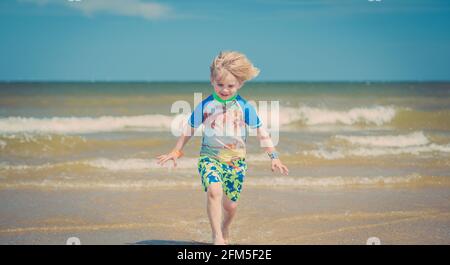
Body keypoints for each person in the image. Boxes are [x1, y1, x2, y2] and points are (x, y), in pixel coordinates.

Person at [157, 51, 289, 245]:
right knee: (214, 192)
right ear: (212, 80)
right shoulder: (205, 105)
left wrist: (274, 156)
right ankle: (217, 236)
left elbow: (262, 132)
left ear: (240, 84)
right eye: (220, 85)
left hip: (236, 162)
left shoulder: (244, 107)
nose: (225, 90)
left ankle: (225, 227)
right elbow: (189, 129)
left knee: (231, 206)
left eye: (230, 86)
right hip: (209, 157)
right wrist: (177, 151)